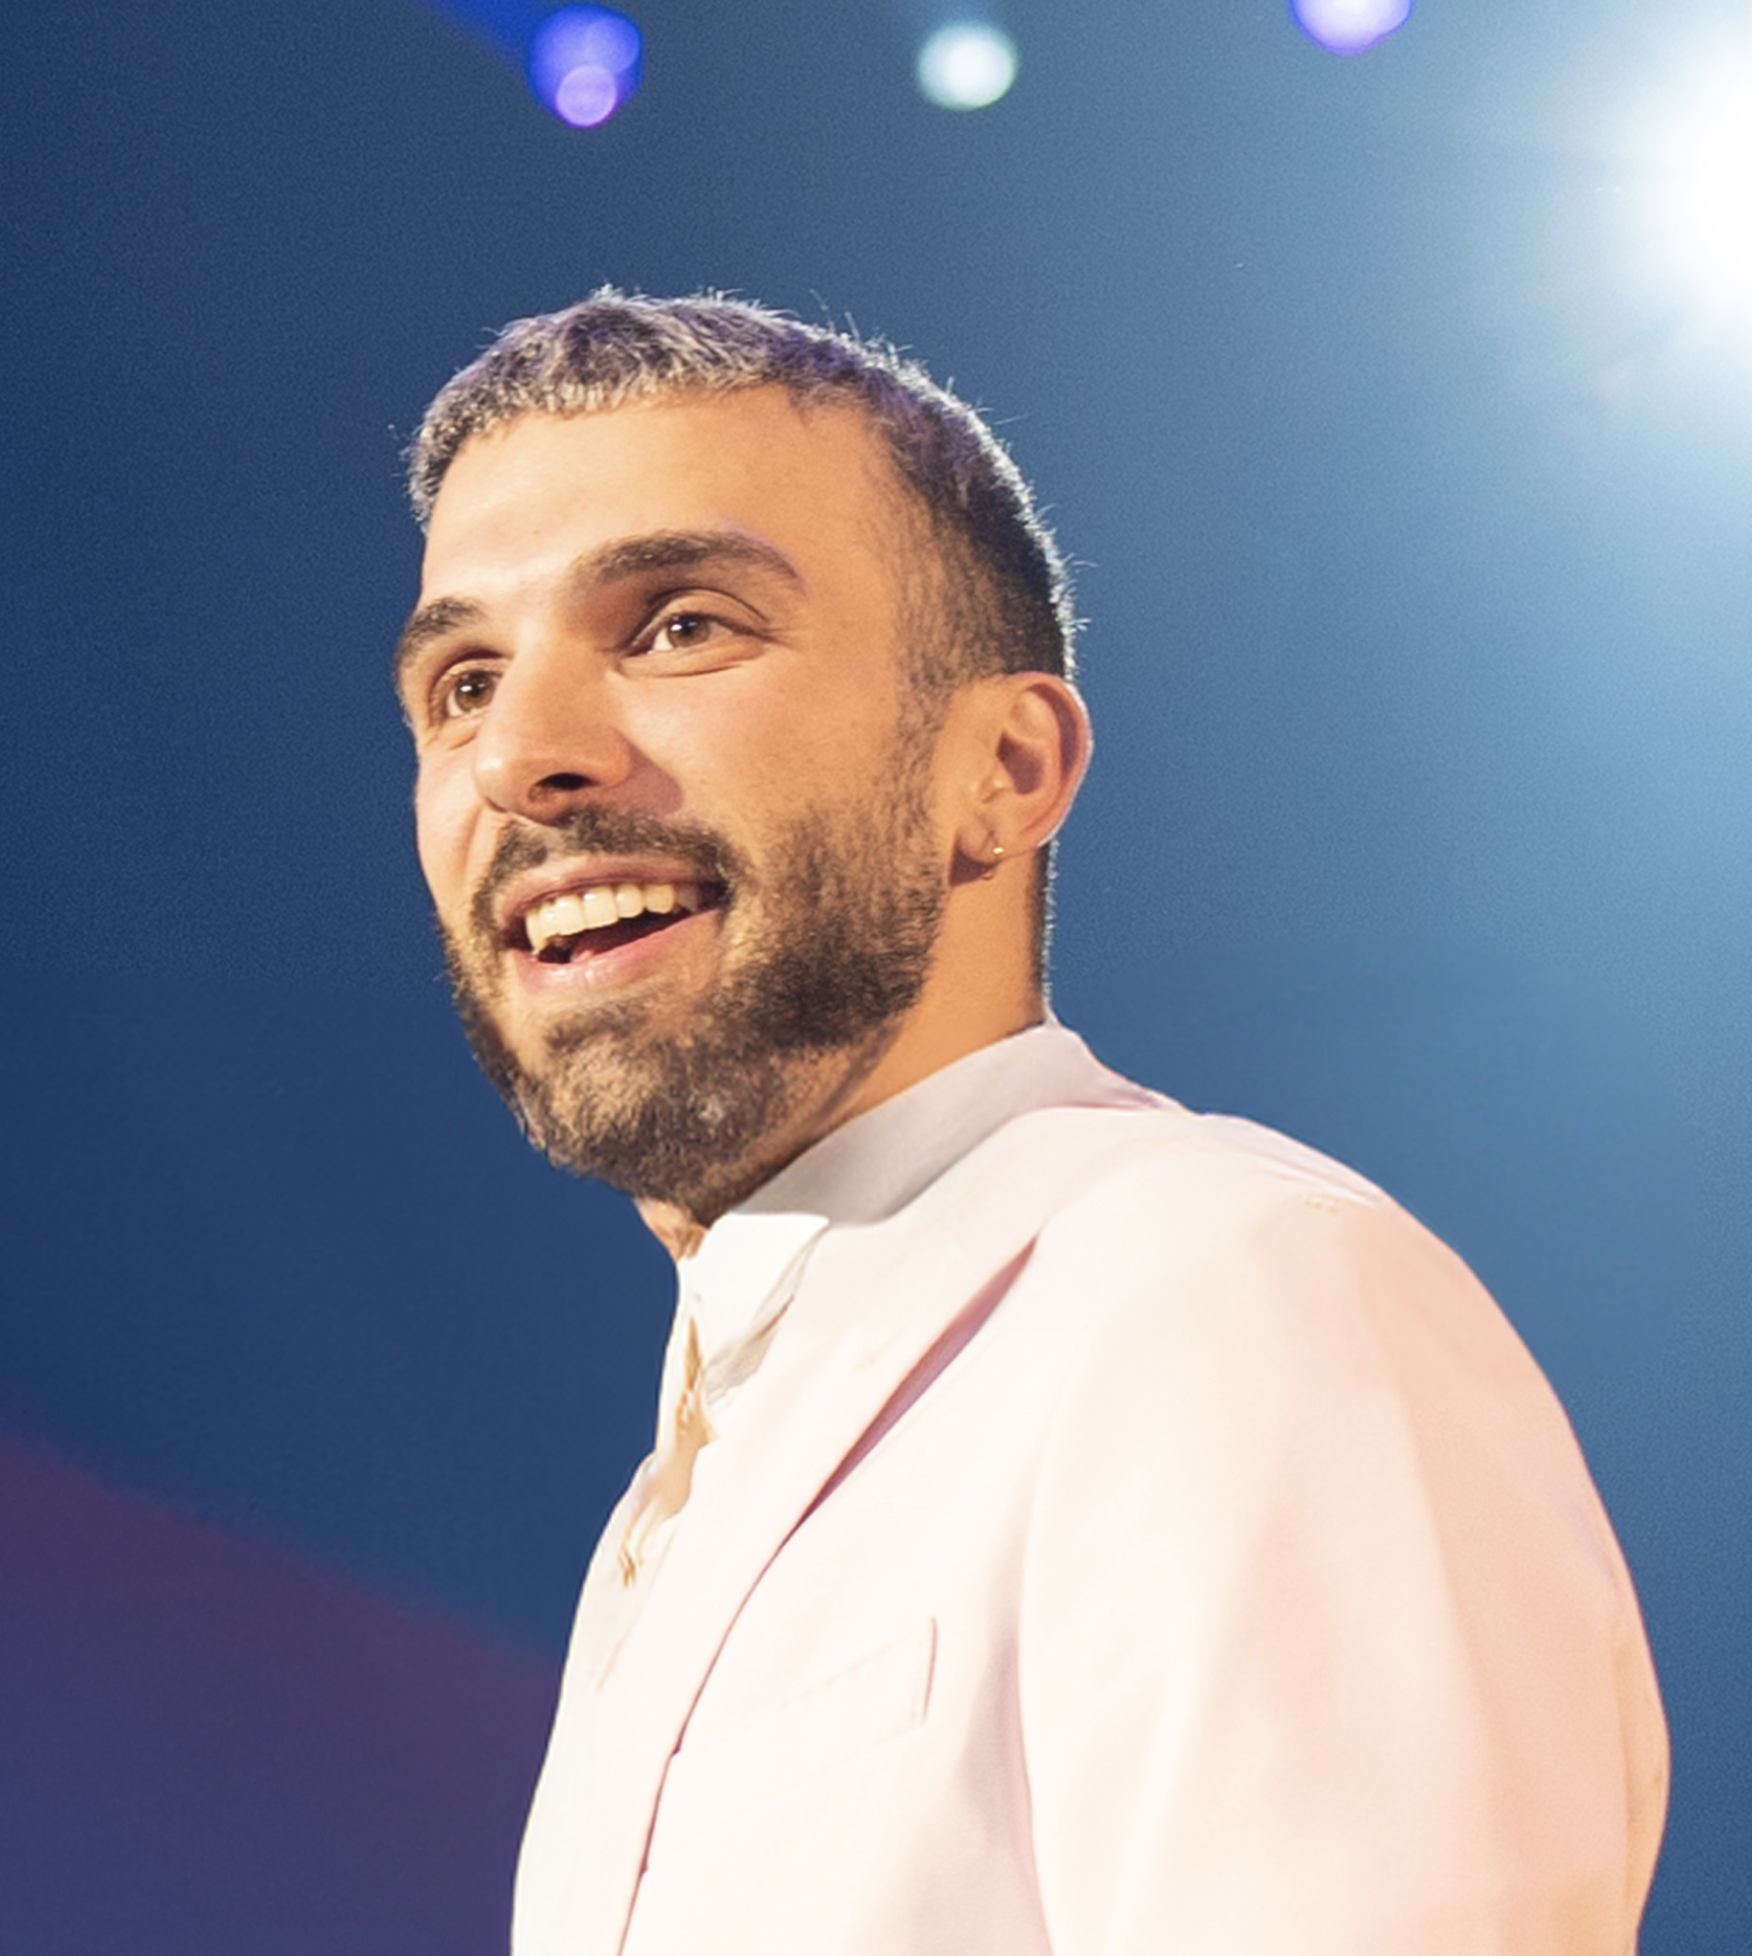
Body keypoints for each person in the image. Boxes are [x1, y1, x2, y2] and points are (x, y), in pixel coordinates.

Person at [395, 292, 1667, 1956]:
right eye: (464, 681)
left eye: (682, 625)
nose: (520, 756)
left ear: (1002, 766)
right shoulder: (665, 1522)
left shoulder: (1224, 1293)